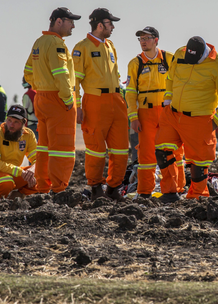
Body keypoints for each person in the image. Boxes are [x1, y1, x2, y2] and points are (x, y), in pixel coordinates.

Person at [155, 36, 218, 203]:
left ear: (203, 54)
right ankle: (170, 193)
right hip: (172, 114)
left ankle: (197, 196)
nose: (191, 61)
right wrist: (167, 101)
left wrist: (215, 122)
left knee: (199, 161)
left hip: (199, 119)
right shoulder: (180, 53)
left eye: (195, 60)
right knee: (162, 151)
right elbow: (170, 78)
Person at [73, 8, 128, 201]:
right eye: (110, 23)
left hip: (117, 101)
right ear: (99, 25)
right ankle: (96, 187)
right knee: (96, 148)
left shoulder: (110, 45)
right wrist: (78, 107)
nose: (112, 27)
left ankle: (113, 189)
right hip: (94, 102)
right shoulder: (82, 47)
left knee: (121, 148)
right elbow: (75, 82)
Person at [23, 7, 80, 195]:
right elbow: (61, 74)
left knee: (44, 146)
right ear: (58, 22)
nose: (73, 25)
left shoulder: (39, 42)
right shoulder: (57, 44)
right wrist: (67, 98)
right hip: (58, 99)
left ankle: (43, 186)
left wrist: (40, 86)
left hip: (42, 97)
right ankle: (59, 188)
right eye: (70, 21)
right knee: (62, 147)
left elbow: (28, 72)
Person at [125, 26, 185, 199]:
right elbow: (130, 93)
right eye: (141, 39)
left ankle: (174, 190)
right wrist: (133, 117)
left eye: (146, 38)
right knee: (146, 153)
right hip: (146, 114)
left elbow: (180, 84)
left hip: (168, 113)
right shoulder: (135, 63)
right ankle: (144, 192)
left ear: (156, 40)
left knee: (173, 151)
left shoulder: (169, 59)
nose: (143, 42)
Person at [0, 105, 37, 199]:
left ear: (24, 123)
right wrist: (21, 172)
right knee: (6, 181)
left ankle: (17, 196)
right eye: (9, 120)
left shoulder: (28, 135)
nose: (11, 125)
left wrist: (32, 170)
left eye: (16, 122)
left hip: (13, 173)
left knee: (42, 173)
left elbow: (38, 159)